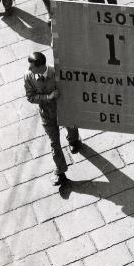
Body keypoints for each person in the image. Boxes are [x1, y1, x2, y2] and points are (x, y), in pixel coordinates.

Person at [24, 52, 82, 186]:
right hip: (47, 114)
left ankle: (74, 140)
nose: (29, 69)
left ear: (40, 67)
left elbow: (70, 89)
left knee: (71, 127)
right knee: (54, 143)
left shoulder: (57, 72)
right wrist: (47, 97)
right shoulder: (28, 77)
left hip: (63, 109)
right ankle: (60, 171)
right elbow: (30, 97)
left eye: (32, 67)